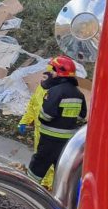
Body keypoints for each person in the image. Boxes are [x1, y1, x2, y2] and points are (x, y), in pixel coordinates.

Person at [23, 55, 87, 187]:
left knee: (37, 167)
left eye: (53, 70)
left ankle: (28, 190)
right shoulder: (79, 94)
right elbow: (81, 116)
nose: (50, 72)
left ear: (59, 73)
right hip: (67, 142)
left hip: (49, 140)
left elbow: (46, 116)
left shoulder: (55, 91)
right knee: (61, 171)